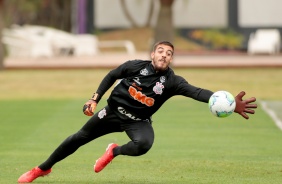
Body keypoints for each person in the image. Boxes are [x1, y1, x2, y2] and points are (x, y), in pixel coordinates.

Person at [17, 41, 257, 183]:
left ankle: (114, 151)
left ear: (171, 59)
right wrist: (94, 99)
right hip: (111, 112)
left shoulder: (173, 82)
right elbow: (112, 75)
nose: (164, 55)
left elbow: (198, 92)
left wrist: (232, 105)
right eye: (161, 51)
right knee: (77, 138)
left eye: (169, 53)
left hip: (138, 121)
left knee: (144, 145)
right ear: (153, 54)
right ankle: (42, 168)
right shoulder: (135, 66)